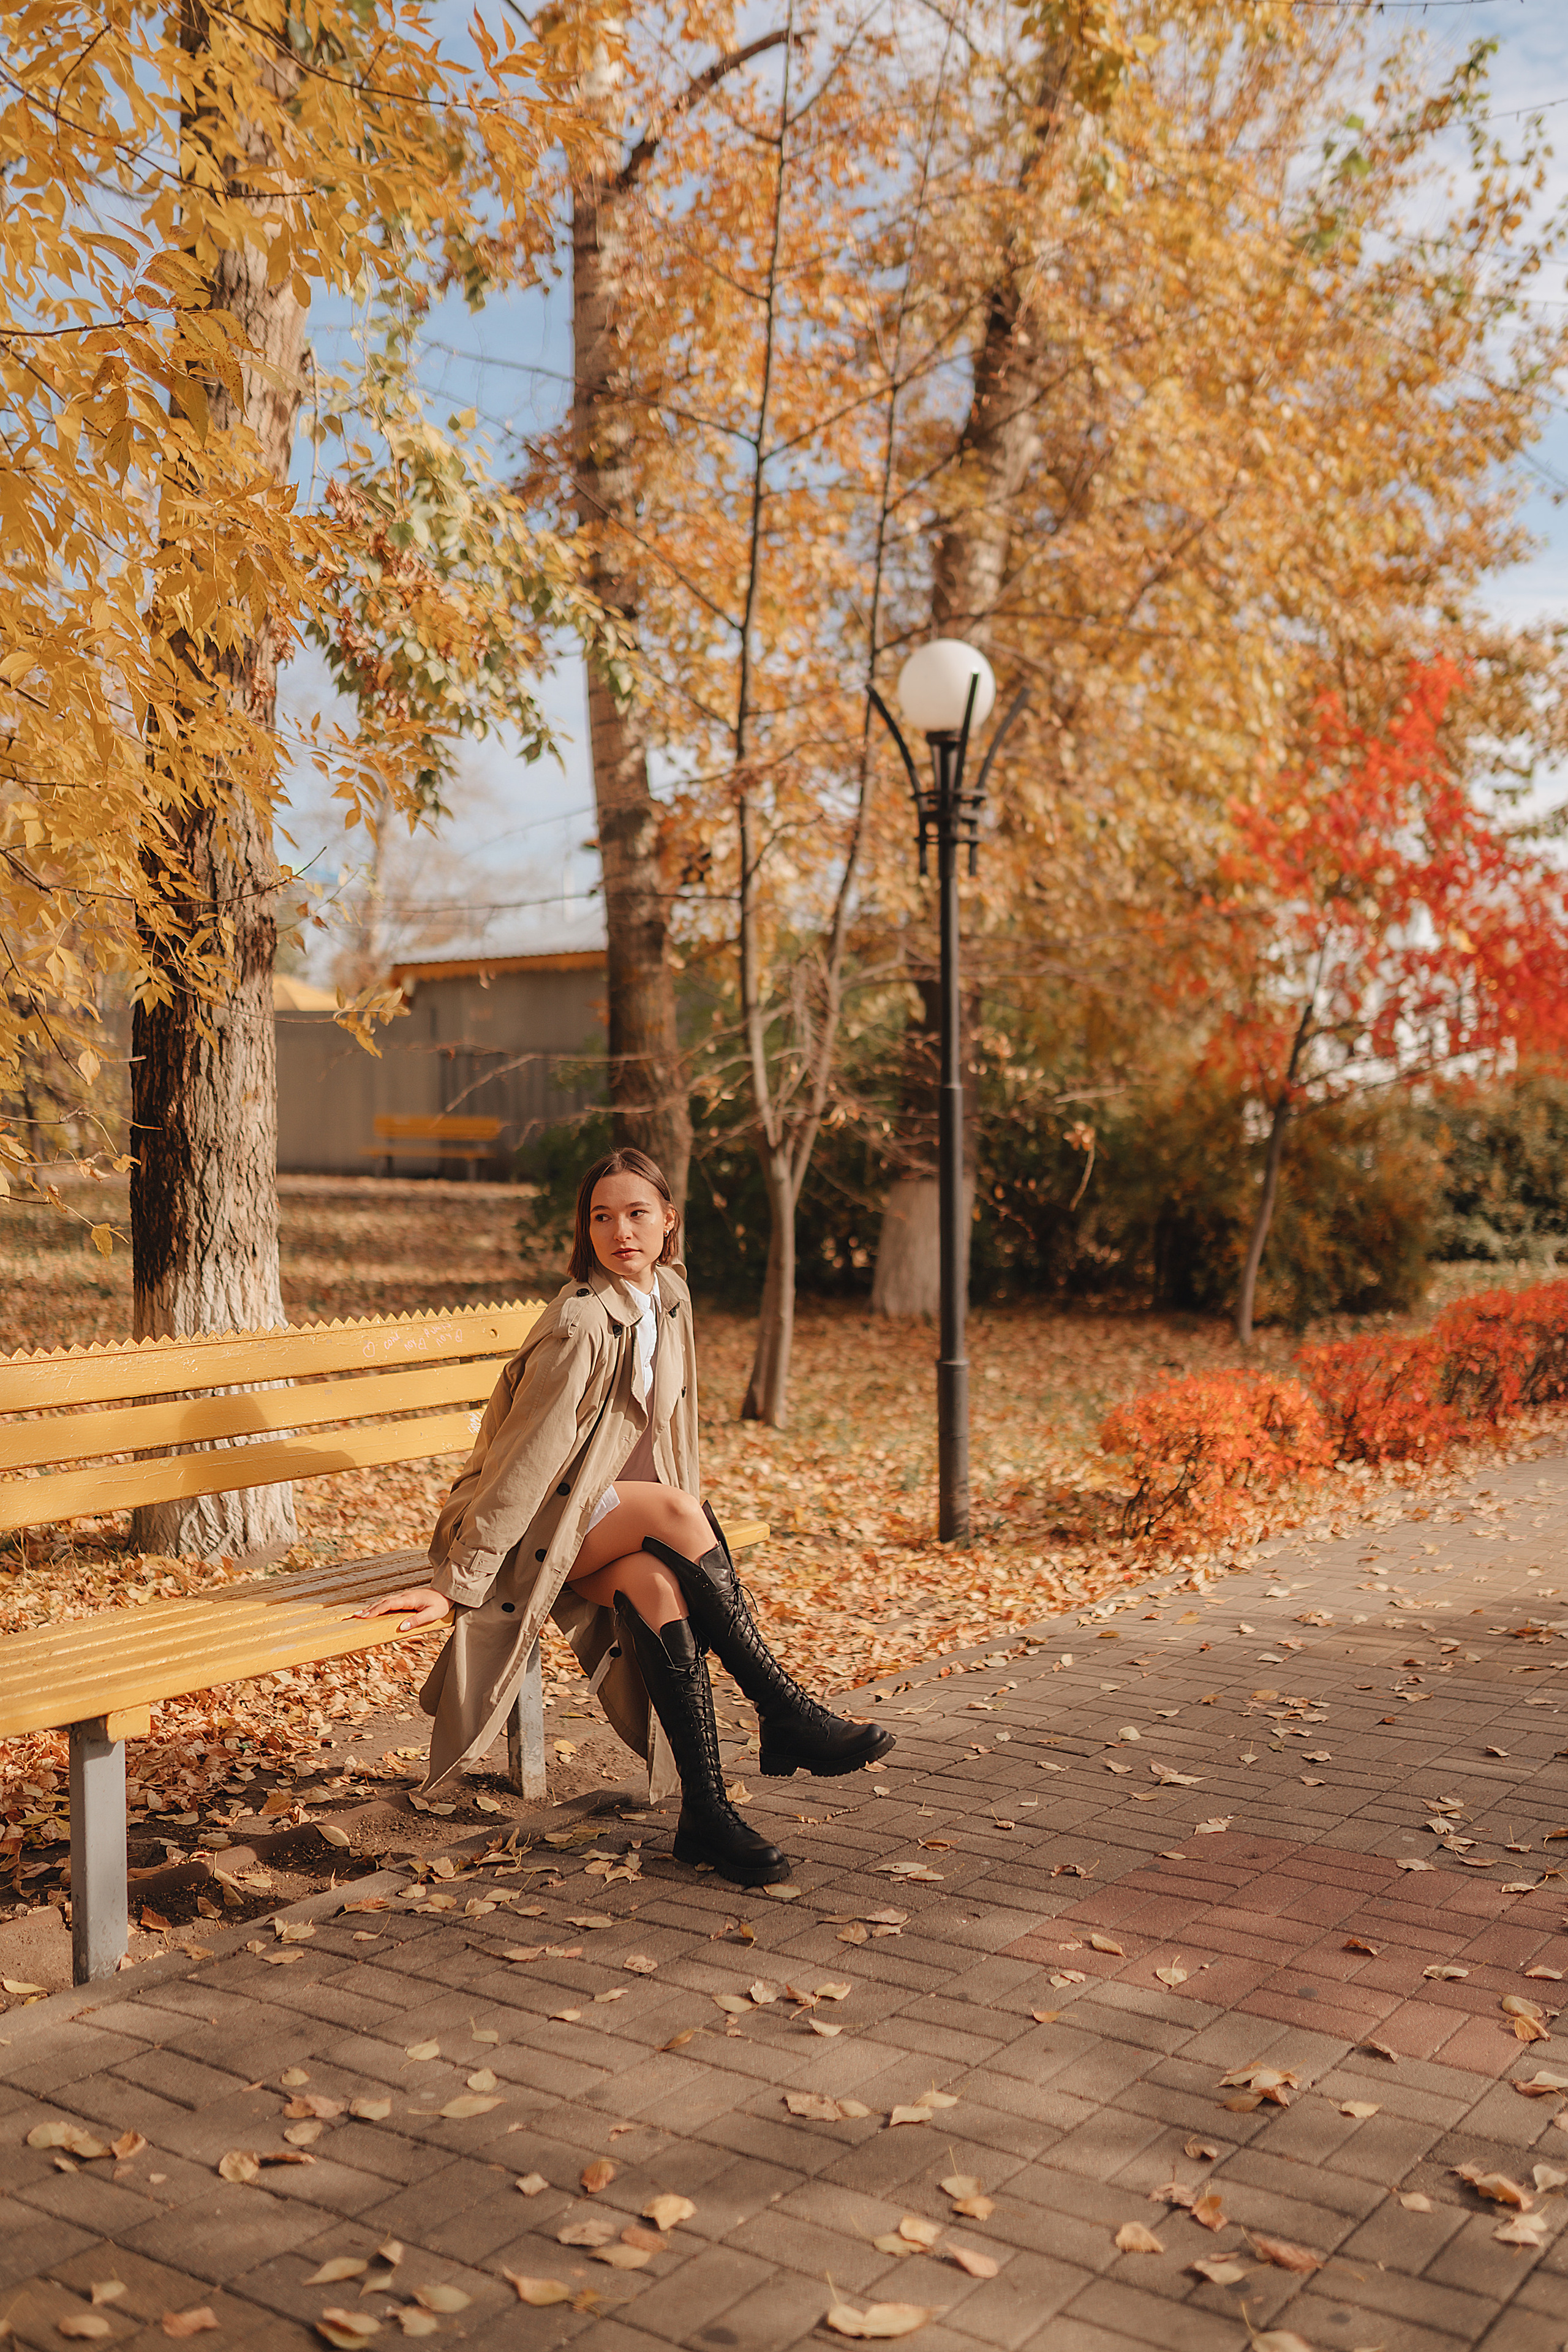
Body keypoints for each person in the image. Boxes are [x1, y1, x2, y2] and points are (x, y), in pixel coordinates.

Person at [357, 1146, 893, 1885]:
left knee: (662, 1588)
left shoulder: (669, 1297)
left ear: (669, 1221)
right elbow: (524, 1465)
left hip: (610, 1518)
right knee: (679, 1510)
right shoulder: (581, 1322)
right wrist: (457, 1579)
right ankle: (783, 1710)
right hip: (531, 1521)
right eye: (602, 1217)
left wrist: (679, 1540)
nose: (621, 1232)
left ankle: (704, 1814)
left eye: (638, 1213)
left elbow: (675, 1432)